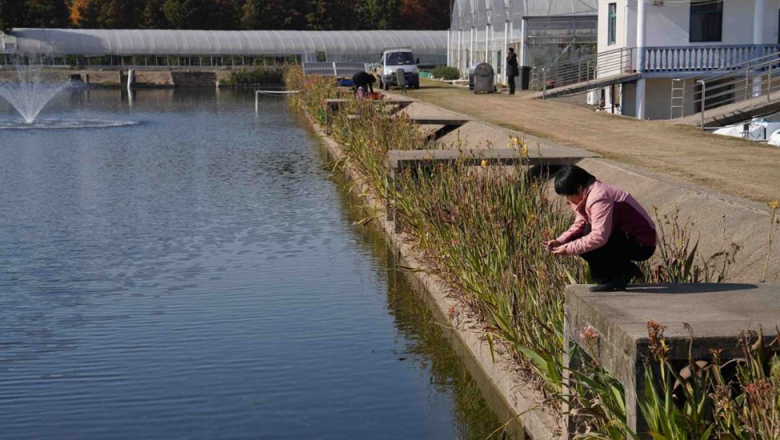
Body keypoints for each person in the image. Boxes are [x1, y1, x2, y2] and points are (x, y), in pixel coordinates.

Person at [543, 165, 657, 292]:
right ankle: (624, 270)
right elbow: (579, 225)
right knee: (583, 235)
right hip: (623, 237)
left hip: (642, 244)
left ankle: (611, 279)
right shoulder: (590, 194)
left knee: (588, 235)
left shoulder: (599, 198)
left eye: (568, 195)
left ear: (579, 188)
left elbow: (599, 237)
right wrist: (560, 241)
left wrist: (568, 249)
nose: (567, 200)